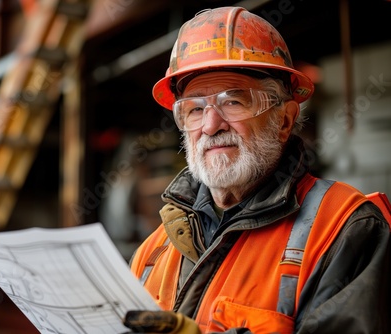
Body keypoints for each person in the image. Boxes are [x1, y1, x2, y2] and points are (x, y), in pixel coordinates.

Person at [123, 6, 391, 334]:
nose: (210, 125)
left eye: (234, 102)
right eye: (194, 109)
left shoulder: (345, 228)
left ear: (284, 120)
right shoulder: (153, 252)